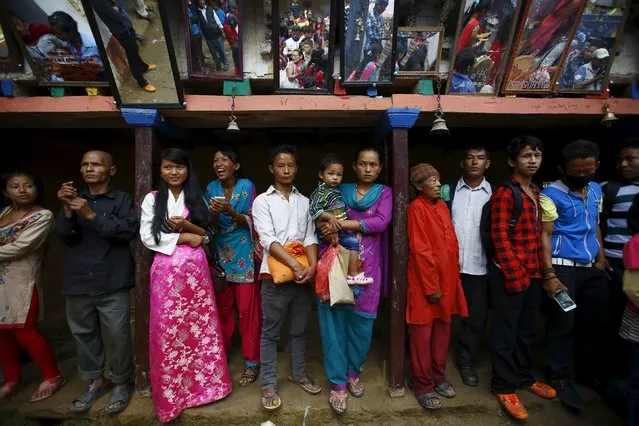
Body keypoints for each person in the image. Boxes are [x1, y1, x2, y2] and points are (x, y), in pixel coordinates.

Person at [140, 148, 232, 423]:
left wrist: (189, 229)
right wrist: (182, 239)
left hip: (196, 274)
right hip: (166, 274)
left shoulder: (196, 198)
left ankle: (206, 389)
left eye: (179, 167)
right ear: (161, 170)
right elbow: (147, 236)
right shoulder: (152, 199)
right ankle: (173, 396)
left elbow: (206, 235)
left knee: (199, 329)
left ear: (187, 170)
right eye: (168, 167)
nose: (174, 172)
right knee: (168, 331)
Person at [55, 151, 138, 415]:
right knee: (83, 334)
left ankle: (121, 382)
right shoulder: (74, 201)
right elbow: (64, 236)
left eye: (97, 164)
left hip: (112, 279)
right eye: (85, 164)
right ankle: (94, 382)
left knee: (118, 334)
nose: (90, 168)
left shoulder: (122, 199)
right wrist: (68, 211)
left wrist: (91, 215)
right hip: (78, 279)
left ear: (111, 170)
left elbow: (127, 231)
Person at [315, 145, 392, 414]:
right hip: (335, 264)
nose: (368, 169)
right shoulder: (337, 189)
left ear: (380, 167)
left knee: (362, 325)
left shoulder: (385, 193)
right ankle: (337, 384)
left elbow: (381, 222)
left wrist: (341, 224)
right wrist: (325, 224)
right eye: (362, 164)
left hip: (368, 269)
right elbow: (320, 217)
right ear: (355, 165)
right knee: (334, 324)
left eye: (373, 165)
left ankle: (352, 372)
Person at [490, 136, 556, 420]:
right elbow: (499, 237)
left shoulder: (536, 191)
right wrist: (515, 275)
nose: (533, 160)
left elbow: (538, 236)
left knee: (527, 330)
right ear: (512, 161)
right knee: (505, 332)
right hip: (511, 274)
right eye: (527, 155)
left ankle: (524, 377)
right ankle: (504, 385)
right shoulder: (507, 193)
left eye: (537, 155)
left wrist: (543, 272)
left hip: (532, 273)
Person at [539, 140, 608, 409]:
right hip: (562, 267)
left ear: (597, 166)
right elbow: (544, 235)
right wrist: (550, 274)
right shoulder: (551, 194)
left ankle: (586, 373)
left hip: (592, 268)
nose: (582, 175)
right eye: (576, 172)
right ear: (562, 168)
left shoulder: (595, 190)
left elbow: (596, 226)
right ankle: (559, 377)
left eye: (588, 170)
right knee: (562, 324)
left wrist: (601, 260)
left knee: (593, 322)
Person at [252, 145, 320, 411]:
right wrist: (295, 264)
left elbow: (311, 237)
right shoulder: (262, 201)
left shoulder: (305, 202)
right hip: (274, 277)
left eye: (291, 165)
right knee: (270, 333)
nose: (287, 170)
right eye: (281, 165)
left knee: (300, 330)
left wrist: (312, 268)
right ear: (271, 169)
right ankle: (268, 384)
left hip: (303, 277)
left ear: (297, 168)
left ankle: (299, 373)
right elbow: (267, 239)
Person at [0, 172, 66, 404]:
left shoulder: (42, 216)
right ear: (5, 192)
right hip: (1, 282)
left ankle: (52, 376)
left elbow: (22, 248)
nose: (22, 190)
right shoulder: (4, 213)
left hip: (22, 280)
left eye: (28, 185)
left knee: (24, 329)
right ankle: (11, 380)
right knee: (2, 332)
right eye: (15, 186)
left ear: (37, 190)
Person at [407, 163, 468, 411]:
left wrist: (453, 279)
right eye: (430, 180)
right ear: (419, 186)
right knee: (422, 335)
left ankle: (438, 377)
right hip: (425, 285)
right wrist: (432, 286)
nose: (436, 184)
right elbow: (421, 250)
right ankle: (422, 384)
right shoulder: (415, 209)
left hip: (448, 282)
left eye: (437, 179)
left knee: (442, 333)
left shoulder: (442, 206)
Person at [203, 147, 261, 387]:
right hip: (220, 253)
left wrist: (229, 210)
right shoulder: (210, 189)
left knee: (248, 311)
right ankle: (221, 354)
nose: (219, 163)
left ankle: (252, 362)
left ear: (235, 165)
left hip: (244, 254)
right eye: (215, 159)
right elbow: (209, 224)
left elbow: (252, 219)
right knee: (223, 308)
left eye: (224, 159)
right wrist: (215, 214)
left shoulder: (247, 187)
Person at [440, 147, 492, 387]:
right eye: (470, 157)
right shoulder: (447, 190)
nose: (475, 162)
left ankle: (466, 361)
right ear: (462, 162)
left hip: (479, 266)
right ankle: (434, 358)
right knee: (440, 313)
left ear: (487, 164)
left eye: (480, 158)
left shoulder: (496, 193)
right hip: (448, 266)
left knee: (475, 318)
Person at [600, 139, 639, 385]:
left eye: (630, 159)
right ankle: (615, 375)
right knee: (615, 320)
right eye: (620, 160)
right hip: (614, 266)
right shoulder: (608, 188)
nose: (623, 165)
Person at [310, 154, 374, 286]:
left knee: (351, 244)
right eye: (331, 173)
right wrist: (329, 217)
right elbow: (314, 209)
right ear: (321, 175)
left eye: (339, 175)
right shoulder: (321, 192)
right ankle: (354, 275)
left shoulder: (334, 190)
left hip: (338, 229)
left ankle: (352, 274)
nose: (335, 177)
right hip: (327, 231)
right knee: (352, 243)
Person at [89, 0, 157, 92]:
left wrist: (117, 8)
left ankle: (143, 67)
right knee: (132, 55)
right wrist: (123, 19)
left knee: (134, 49)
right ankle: (142, 82)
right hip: (121, 29)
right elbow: (111, 13)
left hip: (124, 26)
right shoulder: (97, 2)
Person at [198, 0, 228, 72]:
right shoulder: (198, 12)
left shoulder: (210, 9)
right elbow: (200, 24)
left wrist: (222, 31)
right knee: (213, 52)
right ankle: (218, 65)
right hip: (208, 36)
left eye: (202, 0)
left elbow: (217, 20)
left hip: (216, 33)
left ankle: (225, 64)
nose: (201, 2)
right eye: (200, 1)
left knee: (221, 50)